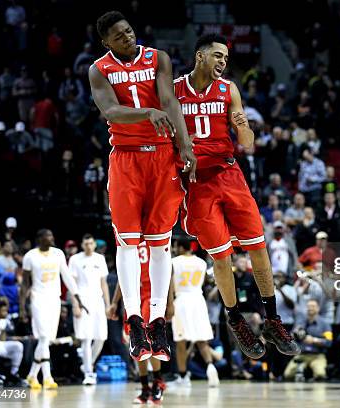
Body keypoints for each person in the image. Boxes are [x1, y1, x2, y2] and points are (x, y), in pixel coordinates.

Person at [174, 34, 299, 360]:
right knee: (222, 256)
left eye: (226, 59)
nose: (222, 63)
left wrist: (244, 127)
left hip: (230, 174)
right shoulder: (173, 90)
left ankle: (272, 318)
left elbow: (248, 143)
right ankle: (235, 319)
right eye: (217, 56)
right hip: (197, 183)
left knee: (258, 247)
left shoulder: (229, 89)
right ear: (200, 56)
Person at [89, 10, 196, 362]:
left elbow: (169, 101)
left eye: (129, 31)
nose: (128, 37)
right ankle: (134, 319)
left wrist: (186, 147)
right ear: (106, 42)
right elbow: (112, 111)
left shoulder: (157, 58)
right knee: (128, 240)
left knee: (160, 241)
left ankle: (157, 323)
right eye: (119, 36)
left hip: (162, 155)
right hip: (126, 156)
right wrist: (145, 114)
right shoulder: (99, 69)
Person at [19, 229, 86, 390]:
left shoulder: (58, 254)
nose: (51, 238)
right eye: (48, 236)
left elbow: (67, 276)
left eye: (52, 235)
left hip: (54, 300)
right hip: (38, 299)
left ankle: (32, 375)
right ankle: (48, 377)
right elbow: (25, 284)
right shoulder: (30, 256)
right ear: (40, 239)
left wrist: (77, 297)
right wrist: (22, 307)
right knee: (42, 337)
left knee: (46, 339)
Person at [109, 241, 172, 404]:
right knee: (137, 344)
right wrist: (115, 302)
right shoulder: (129, 240)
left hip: (151, 298)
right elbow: (123, 278)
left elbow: (167, 274)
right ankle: (145, 387)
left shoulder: (155, 238)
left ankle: (158, 382)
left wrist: (170, 303)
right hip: (133, 300)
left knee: (149, 341)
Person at [169, 239, 219, 388]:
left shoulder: (174, 262)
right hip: (198, 299)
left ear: (181, 247)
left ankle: (183, 377)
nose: (174, 249)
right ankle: (211, 367)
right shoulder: (202, 263)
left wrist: (168, 304)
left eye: (176, 246)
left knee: (181, 341)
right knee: (201, 339)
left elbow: (170, 286)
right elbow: (204, 282)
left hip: (182, 301)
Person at [68, 234, 110, 385]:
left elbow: (103, 283)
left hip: (98, 301)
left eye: (91, 243)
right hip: (82, 300)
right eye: (86, 244)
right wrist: (75, 305)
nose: (89, 246)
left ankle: (88, 362)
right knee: (86, 338)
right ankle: (88, 373)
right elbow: (72, 285)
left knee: (101, 337)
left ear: (94, 244)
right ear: (82, 245)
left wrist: (108, 305)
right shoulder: (75, 260)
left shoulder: (100, 259)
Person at [283, 300, 332, 381]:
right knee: (288, 375)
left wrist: (314, 340)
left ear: (318, 309)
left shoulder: (325, 324)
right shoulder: (300, 323)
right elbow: (290, 339)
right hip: (302, 355)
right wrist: (294, 334)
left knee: (320, 374)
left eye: (313, 306)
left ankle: (308, 375)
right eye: (308, 306)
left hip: (317, 355)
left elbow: (329, 342)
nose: (310, 308)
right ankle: (303, 373)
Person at [0, 297, 24, 386]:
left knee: (18, 346)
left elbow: (2, 337)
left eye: (6, 311)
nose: (5, 313)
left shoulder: (4, 321)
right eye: (3, 311)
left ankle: (14, 373)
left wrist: (11, 339)